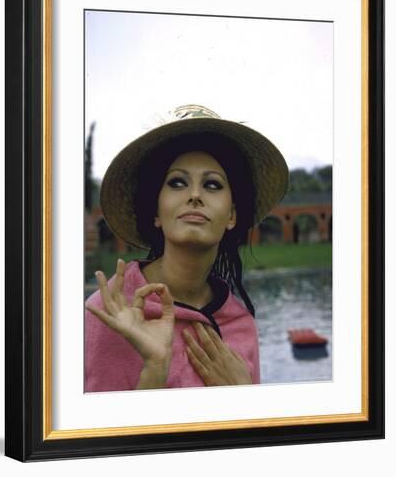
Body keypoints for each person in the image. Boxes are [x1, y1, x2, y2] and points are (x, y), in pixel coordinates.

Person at [85, 104, 288, 392]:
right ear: (156, 211)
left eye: (213, 185)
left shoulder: (242, 324)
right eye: (177, 182)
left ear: (231, 216)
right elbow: (99, 435)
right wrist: (155, 369)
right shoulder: (108, 313)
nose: (194, 195)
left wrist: (243, 394)